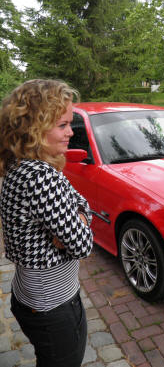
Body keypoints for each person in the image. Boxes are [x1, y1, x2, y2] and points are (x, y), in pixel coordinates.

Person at [0, 79, 93, 367]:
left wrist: (78, 217)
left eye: (70, 123)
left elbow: (83, 205)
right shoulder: (39, 175)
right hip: (52, 306)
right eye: (62, 125)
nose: (71, 132)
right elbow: (83, 244)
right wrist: (76, 224)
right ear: (34, 128)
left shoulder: (22, 164)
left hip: (40, 296)